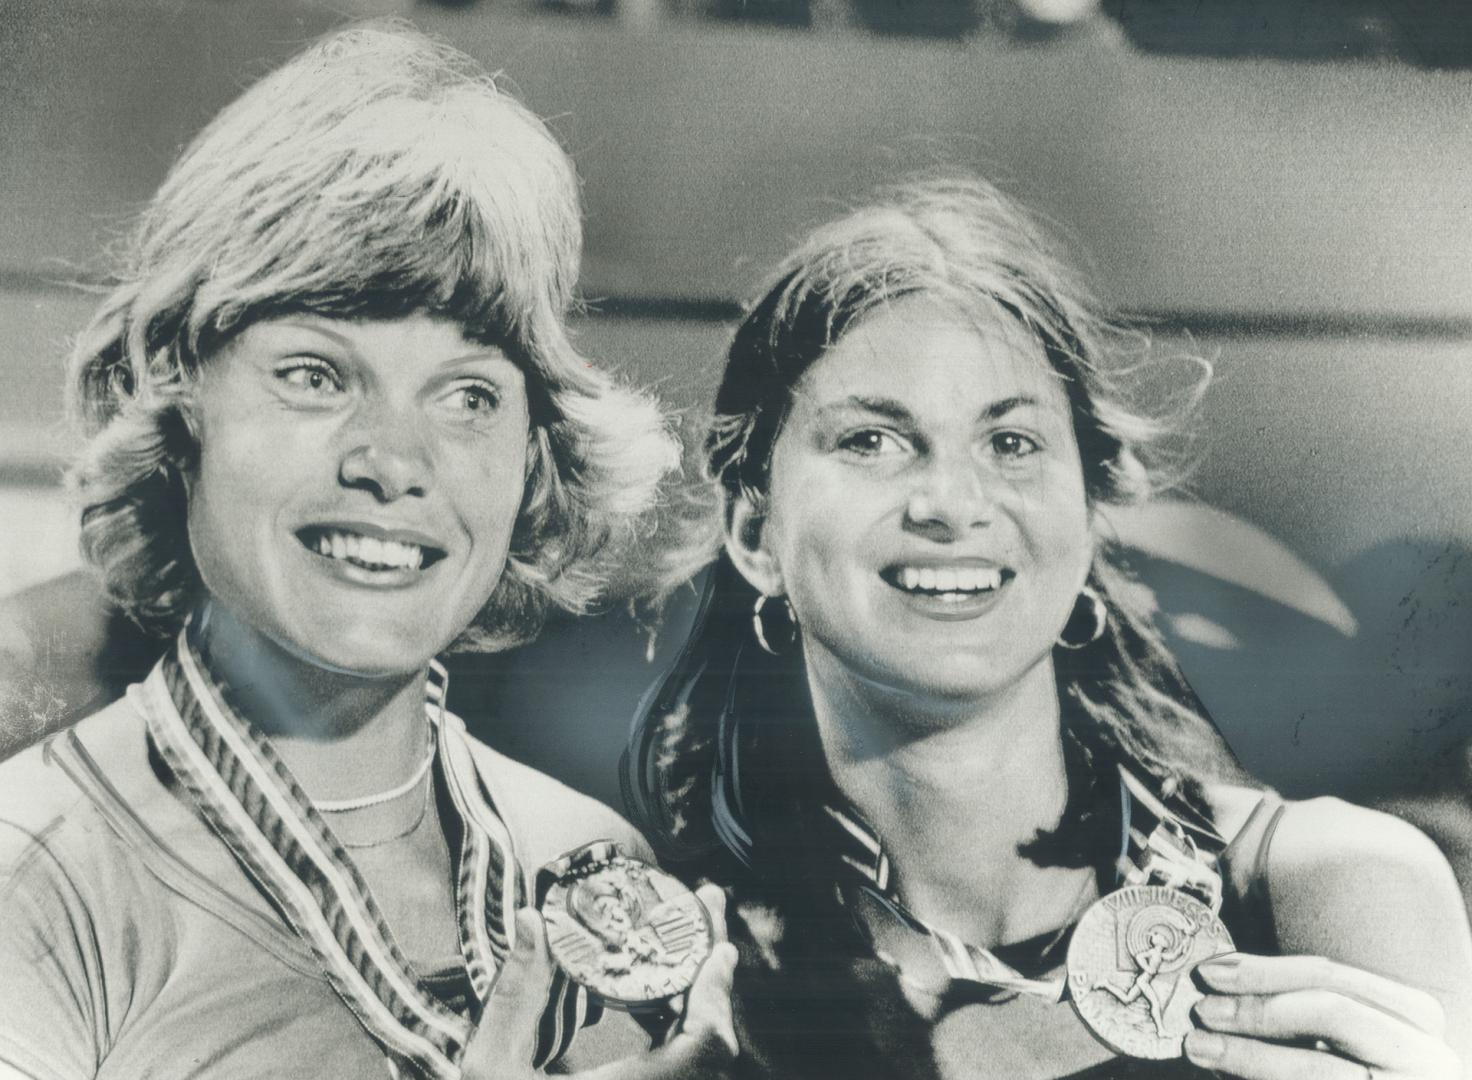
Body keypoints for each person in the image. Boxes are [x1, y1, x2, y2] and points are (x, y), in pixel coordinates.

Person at [0, 24, 738, 1080]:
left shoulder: (593, 876)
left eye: (468, 394)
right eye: (315, 374)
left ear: (534, 455)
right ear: (178, 389)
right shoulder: (33, 881)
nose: (395, 461)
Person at [626, 176, 1472, 1079]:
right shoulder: (665, 967)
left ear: (1089, 514)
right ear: (754, 535)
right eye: (871, 440)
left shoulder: (1334, 891)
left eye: (1011, 442)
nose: (951, 505)